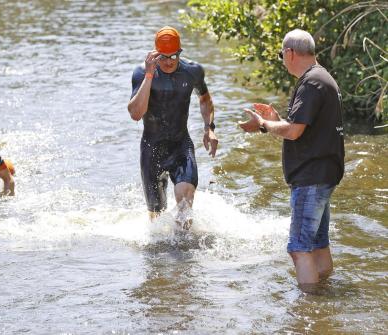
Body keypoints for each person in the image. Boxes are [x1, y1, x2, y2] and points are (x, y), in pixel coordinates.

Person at [239, 29, 345, 289]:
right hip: (323, 174)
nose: (282, 59)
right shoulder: (322, 77)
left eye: (281, 54)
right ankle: (325, 293)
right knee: (318, 244)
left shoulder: (311, 83)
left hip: (311, 177)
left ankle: (310, 309)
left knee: (298, 248)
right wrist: (275, 121)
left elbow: (295, 132)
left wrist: (263, 124)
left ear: (290, 53)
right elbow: (304, 129)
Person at [127, 26, 218, 228]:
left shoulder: (192, 71)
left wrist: (208, 127)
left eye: (174, 56)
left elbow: (204, 99)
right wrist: (150, 76)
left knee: (185, 201)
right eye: (163, 57)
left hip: (180, 145)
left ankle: (184, 253)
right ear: (155, 54)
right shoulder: (141, 73)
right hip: (152, 149)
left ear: (180, 52)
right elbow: (135, 113)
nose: (169, 61)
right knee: (156, 218)